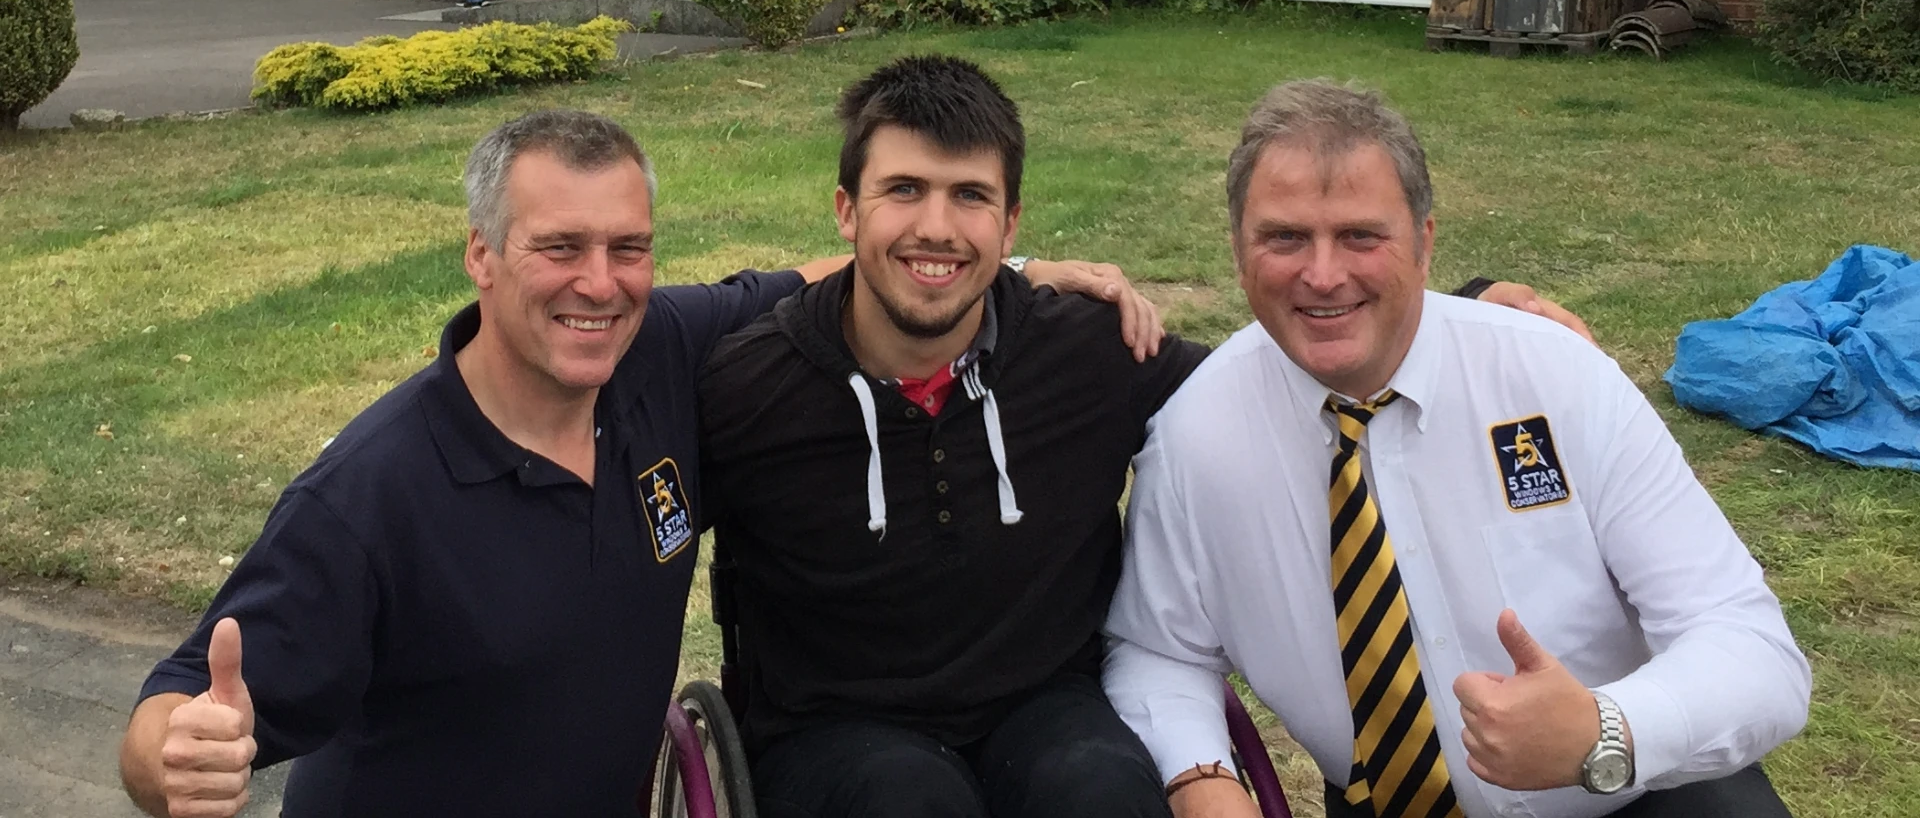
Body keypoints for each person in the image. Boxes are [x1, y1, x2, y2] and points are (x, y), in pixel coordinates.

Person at [113, 108, 1159, 818]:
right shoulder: (373, 496)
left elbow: (825, 277)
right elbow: (175, 704)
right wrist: (178, 756)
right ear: (481, 254)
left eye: (628, 249)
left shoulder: (659, 351)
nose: (600, 285)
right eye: (558, 248)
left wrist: (1001, 272)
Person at [696, 57, 1594, 818]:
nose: (936, 226)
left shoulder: (1088, 350)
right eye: (904, 191)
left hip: (1047, 703)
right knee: (902, 799)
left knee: (1100, 789)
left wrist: (1466, 311)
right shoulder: (746, 387)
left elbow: (1288, 367)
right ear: (848, 211)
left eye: (970, 195)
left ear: (1009, 225)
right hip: (832, 730)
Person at [1102, 81, 1811, 818]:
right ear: (1238, 250)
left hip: (1631, 795)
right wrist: (1200, 776)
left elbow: (1749, 646)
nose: (1322, 274)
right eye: (1284, 237)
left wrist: (1605, 732)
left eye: (1360, 236)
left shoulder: (1557, 379)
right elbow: (1158, 648)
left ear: (1425, 242)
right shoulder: (1196, 434)